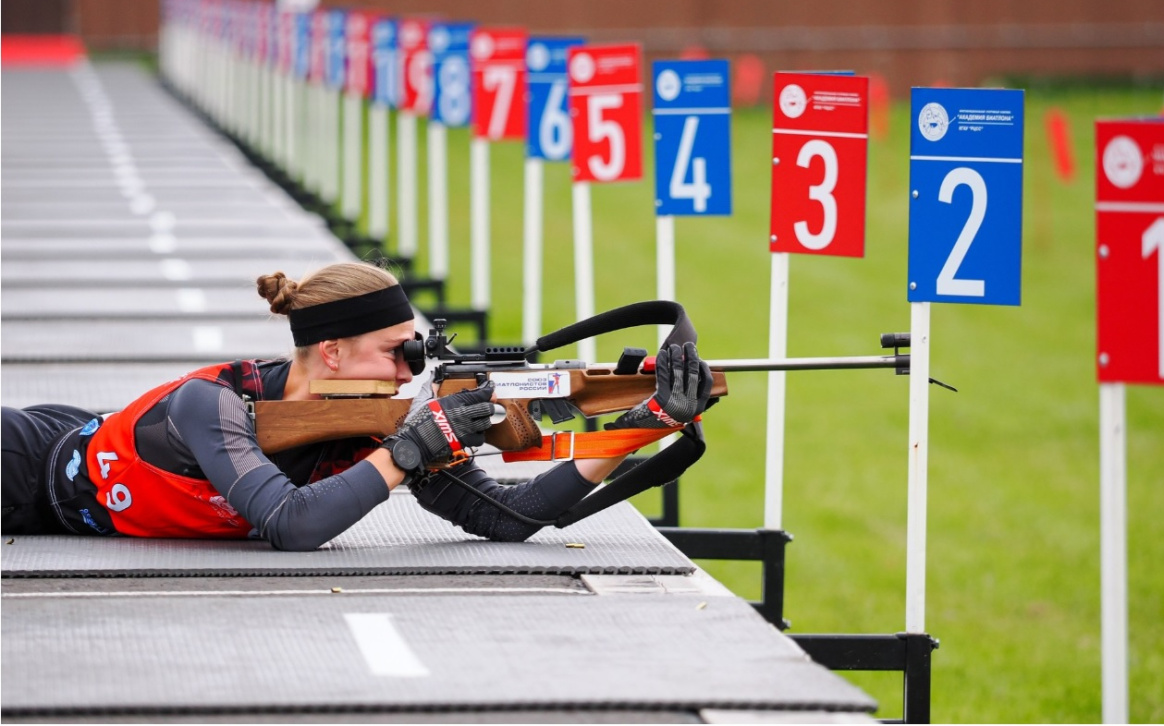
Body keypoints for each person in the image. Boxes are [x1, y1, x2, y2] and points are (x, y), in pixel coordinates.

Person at [1, 262, 713, 550]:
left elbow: (509, 516)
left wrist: (645, 425)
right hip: (23, 465)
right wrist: (408, 452)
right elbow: (290, 524)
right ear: (332, 353)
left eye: (417, 354)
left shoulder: (374, 426)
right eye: (396, 352)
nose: (411, 371)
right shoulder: (208, 403)